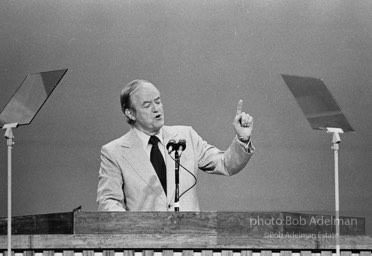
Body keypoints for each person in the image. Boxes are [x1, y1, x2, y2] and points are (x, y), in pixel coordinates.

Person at [97, 79, 255, 211]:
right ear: (130, 113)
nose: (156, 109)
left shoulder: (186, 136)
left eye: (158, 101)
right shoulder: (114, 152)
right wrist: (132, 229)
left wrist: (242, 138)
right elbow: (108, 202)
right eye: (147, 105)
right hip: (145, 244)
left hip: (190, 241)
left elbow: (226, 164)